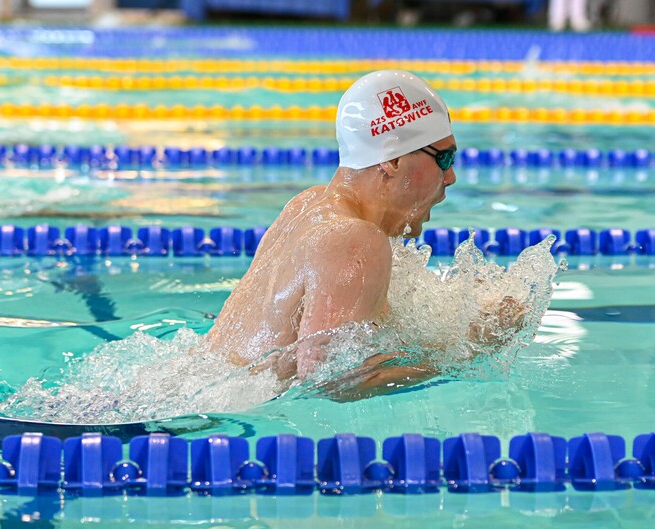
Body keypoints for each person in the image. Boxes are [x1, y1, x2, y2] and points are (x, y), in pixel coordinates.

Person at [205, 70, 523, 397]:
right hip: (219, 416)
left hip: (198, 392)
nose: (451, 176)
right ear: (392, 160)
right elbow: (329, 380)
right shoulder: (355, 238)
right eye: (444, 158)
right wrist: (469, 346)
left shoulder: (307, 205)